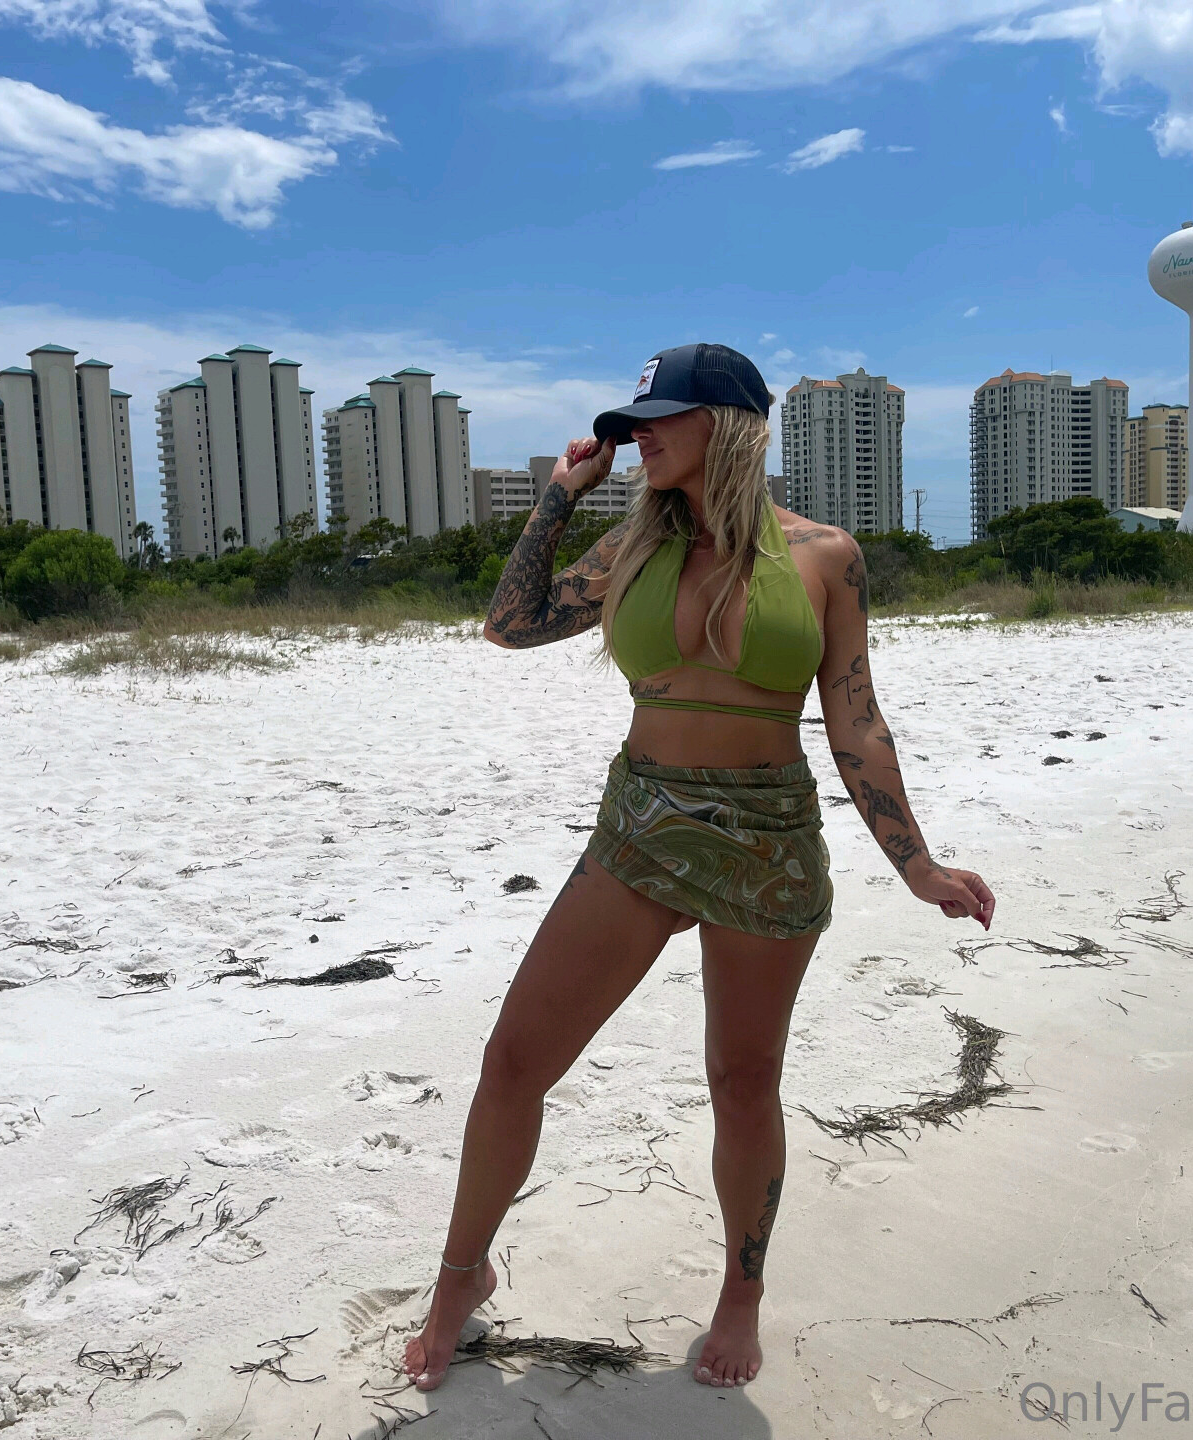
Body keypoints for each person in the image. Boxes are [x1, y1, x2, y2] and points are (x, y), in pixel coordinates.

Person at [401, 343, 996, 1392]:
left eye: (661, 418)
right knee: (513, 1062)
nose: (638, 438)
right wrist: (559, 496)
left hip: (768, 843)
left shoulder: (824, 557)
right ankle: (460, 1278)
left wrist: (916, 864)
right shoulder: (631, 548)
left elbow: (855, 718)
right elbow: (508, 624)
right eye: (631, 424)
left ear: (730, 426)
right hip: (640, 828)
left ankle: (741, 1292)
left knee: (743, 1080)